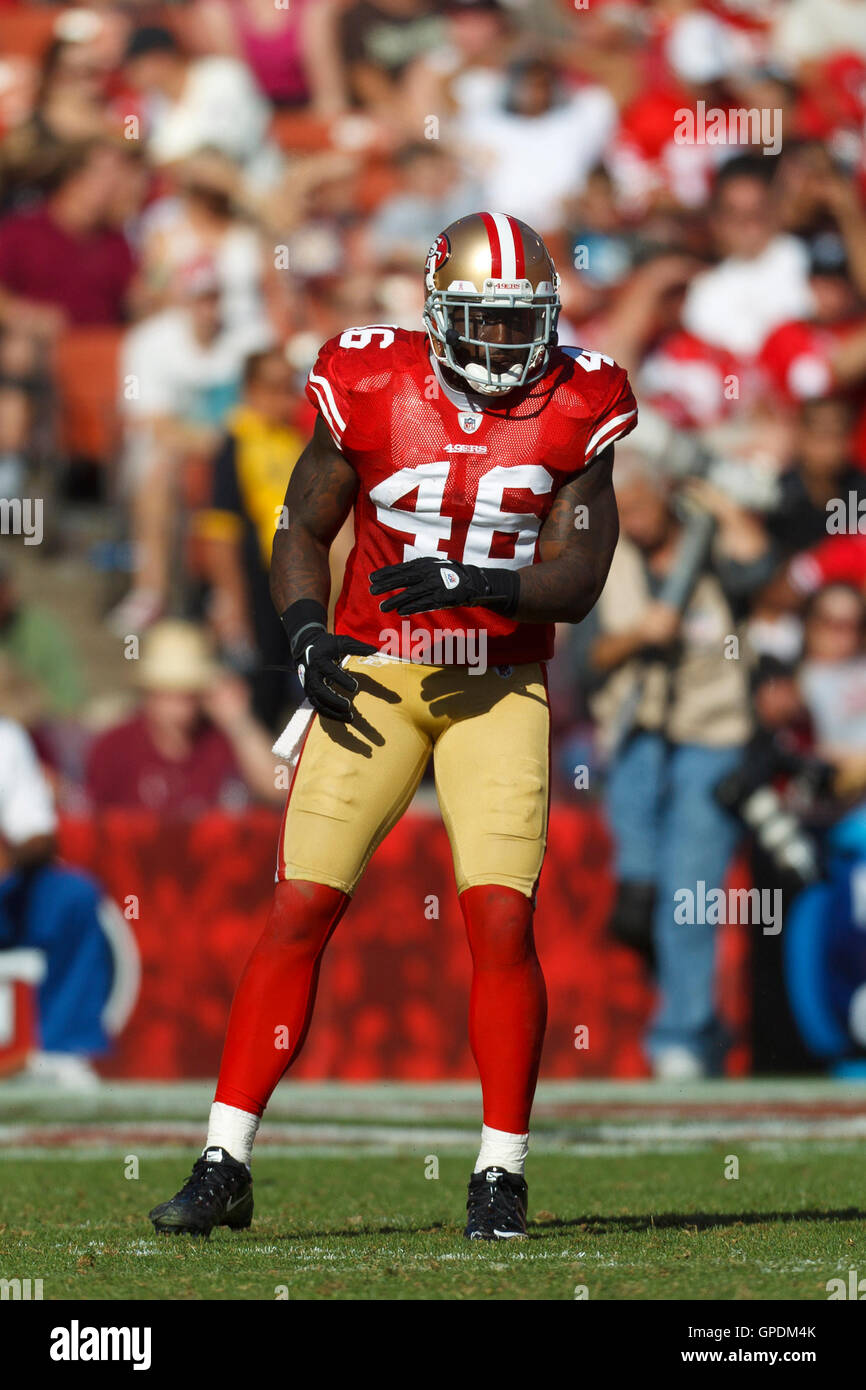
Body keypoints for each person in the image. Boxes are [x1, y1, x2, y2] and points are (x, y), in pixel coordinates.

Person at [148, 210, 637, 1240]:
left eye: (521, 325)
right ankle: (222, 1157)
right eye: (483, 323)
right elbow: (301, 522)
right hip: (373, 673)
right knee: (298, 909)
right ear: (435, 312)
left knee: (499, 919)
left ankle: (498, 1172)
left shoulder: (581, 401)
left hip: (493, 683)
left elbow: (579, 580)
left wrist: (474, 579)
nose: (506, 348)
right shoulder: (369, 379)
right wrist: (302, 632)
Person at [587, 454, 759, 1078]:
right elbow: (585, 662)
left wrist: (728, 513)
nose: (630, 521)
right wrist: (640, 635)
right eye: (620, 510)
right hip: (635, 739)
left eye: (639, 506)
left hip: (713, 736)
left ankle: (680, 1034)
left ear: (665, 497)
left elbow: (766, 576)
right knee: (640, 904)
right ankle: (702, 1022)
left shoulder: (708, 548)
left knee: (691, 891)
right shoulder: (609, 559)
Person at [0, 717, 135, 1086]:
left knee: (73, 896)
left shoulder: (6, 739)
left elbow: (37, 834)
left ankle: (62, 1047)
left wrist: (10, 860)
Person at [85, 619, 281, 814]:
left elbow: (278, 791)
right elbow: (92, 825)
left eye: (190, 690)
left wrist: (239, 722)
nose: (181, 703)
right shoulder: (114, 748)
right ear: (148, 692)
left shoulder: (220, 741)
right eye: (169, 690)